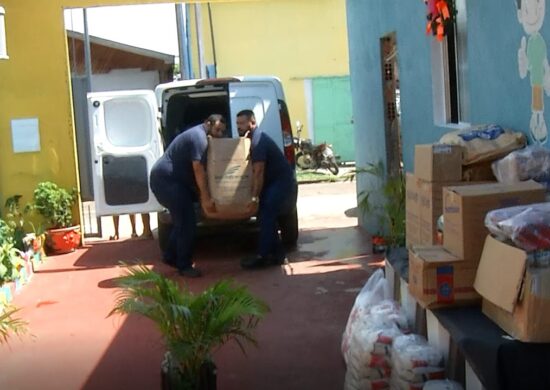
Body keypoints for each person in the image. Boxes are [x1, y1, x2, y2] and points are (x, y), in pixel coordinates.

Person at [149, 114, 226, 277]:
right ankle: (184, 265)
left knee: (182, 221)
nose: (219, 134)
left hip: (171, 181)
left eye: (222, 132)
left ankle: (170, 256)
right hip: (167, 181)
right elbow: (198, 169)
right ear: (207, 123)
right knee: (187, 223)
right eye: (217, 130)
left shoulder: (201, 135)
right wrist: (205, 197)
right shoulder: (199, 138)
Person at [236, 109, 297, 269]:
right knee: (266, 217)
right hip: (273, 182)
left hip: (281, 182)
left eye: (242, 123)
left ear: (253, 122)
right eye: (237, 124)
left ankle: (263, 257)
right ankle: (278, 255)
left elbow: (258, 172)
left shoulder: (258, 141)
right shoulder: (250, 138)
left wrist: (254, 197)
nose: (239, 127)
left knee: (266, 216)